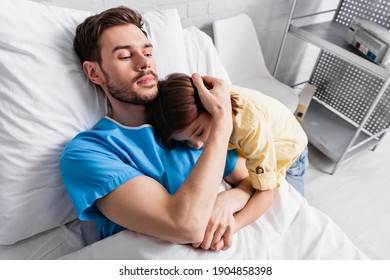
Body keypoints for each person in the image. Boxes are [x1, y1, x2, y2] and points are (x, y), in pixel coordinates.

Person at [60, 6, 262, 252]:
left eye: (147, 52)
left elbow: (260, 182)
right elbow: (186, 225)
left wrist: (230, 200)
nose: (144, 63)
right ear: (94, 72)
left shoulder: (188, 122)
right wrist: (222, 121)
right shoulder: (88, 152)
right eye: (125, 56)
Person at [148, 73, 309, 197]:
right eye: (186, 142)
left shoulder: (247, 125)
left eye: (198, 132)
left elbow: (264, 186)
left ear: (210, 107)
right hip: (262, 135)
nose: (197, 145)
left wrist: (234, 199)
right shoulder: (209, 100)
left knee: (293, 202)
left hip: (292, 151)